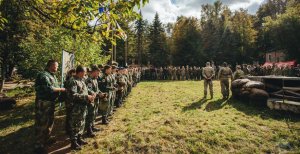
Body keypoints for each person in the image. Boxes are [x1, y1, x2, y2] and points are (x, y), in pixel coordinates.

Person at [34, 60, 66, 153]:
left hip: (51, 102)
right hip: (44, 103)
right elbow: (49, 88)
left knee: (49, 122)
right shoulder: (43, 75)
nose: (57, 68)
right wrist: (61, 89)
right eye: (56, 66)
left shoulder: (52, 75)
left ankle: (46, 139)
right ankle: (38, 145)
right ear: (50, 66)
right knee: (42, 123)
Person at [68, 66, 96, 150]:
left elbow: (86, 89)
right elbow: (73, 95)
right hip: (76, 107)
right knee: (75, 124)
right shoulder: (73, 81)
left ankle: (79, 138)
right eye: (84, 72)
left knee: (82, 123)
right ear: (80, 72)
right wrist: (86, 97)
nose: (86, 73)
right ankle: (74, 142)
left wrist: (92, 93)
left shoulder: (82, 80)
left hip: (83, 106)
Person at [85, 65, 102, 137]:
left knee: (94, 113)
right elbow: (88, 89)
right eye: (97, 73)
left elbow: (97, 89)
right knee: (90, 115)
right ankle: (89, 130)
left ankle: (92, 126)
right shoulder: (89, 80)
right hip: (91, 100)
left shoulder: (95, 79)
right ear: (94, 72)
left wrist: (100, 93)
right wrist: (94, 93)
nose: (98, 75)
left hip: (96, 99)